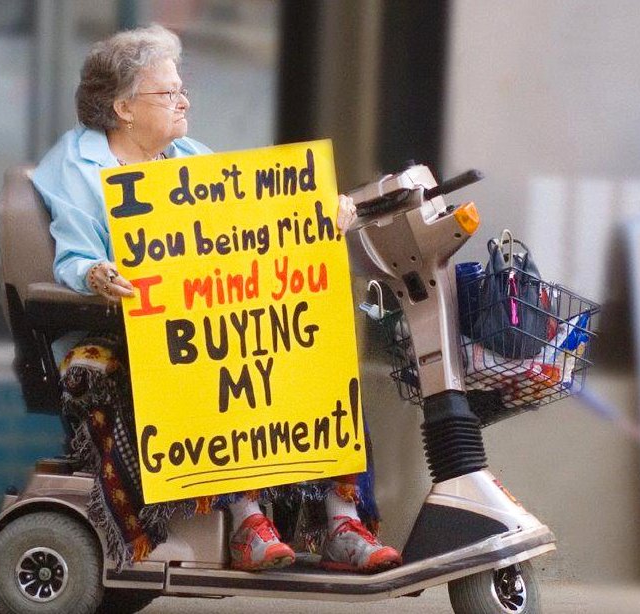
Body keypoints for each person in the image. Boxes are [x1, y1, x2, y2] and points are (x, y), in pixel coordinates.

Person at [32, 24, 401, 573]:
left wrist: (320, 215)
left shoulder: (188, 155)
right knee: (217, 360)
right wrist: (96, 272)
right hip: (129, 323)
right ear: (124, 107)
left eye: (184, 89)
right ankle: (248, 520)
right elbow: (73, 257)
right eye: (168, 92)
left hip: (211, 313)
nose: (183, 101)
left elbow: (253, 226)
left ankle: (342, 520)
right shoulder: (79, 165)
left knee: (315, 352)